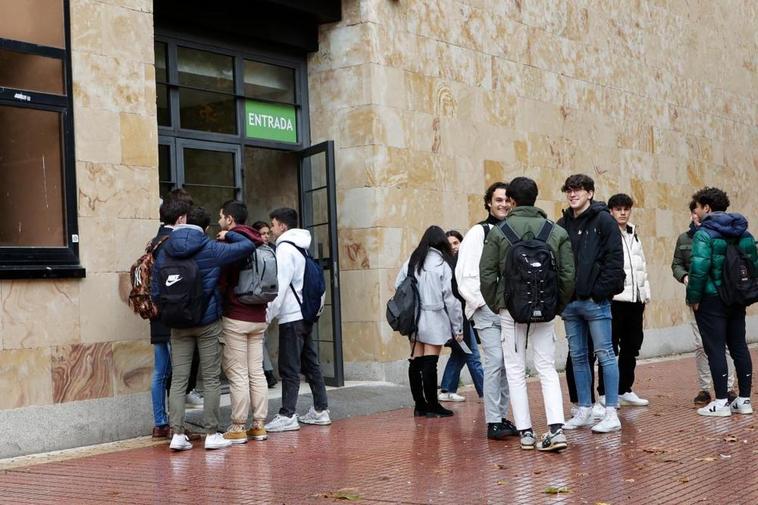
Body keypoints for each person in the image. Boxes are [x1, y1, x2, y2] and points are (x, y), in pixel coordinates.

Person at [480, 177, 575, 451]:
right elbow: (568, 275)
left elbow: (486, 274)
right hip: (545, 309)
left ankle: (526, 432)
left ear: (511, 200)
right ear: (536, 197)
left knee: (515, 368)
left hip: (511, 310)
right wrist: (556, 306)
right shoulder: (555, 231)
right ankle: (556, 428)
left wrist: (499, 304)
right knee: (546, 367)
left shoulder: (499, 232)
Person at [152, 205, 256, 451]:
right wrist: (228, 234)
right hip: (208, 322)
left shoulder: (164, 249)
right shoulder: (210, 247)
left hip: (177, 324)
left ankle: (177, 435)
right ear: (206, 227)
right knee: (210, 379)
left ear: (182, 221)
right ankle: (211, 434)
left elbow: (155, 291)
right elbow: (248, 246)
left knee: (178, 379)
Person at [557, 174, 625, 433]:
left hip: (596, 303)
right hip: (571, 305)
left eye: (578, 190)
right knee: (578, 357)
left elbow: (614, 261)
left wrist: (599, 292)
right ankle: (584, 408)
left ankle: (611, 412)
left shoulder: (604, 220)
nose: (573, 194)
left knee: (606, 355)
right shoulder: (562, 223)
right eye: (569, 190)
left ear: (590, 193)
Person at [455, 182, 518, 439]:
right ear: (489, 203)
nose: (503, 204)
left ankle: (501, 417)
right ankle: (493, 421)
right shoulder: (478, 232)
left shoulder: (513, 231)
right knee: (495, 363)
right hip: (487, 309)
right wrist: (480, 303)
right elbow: (464, 272)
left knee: (506, 365)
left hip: (510, 311)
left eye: (507, 200)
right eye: (498, 200)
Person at [686, 187, 755, 417]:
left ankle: (722, 402)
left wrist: (694, 298)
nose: (695, 212)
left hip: (711, 299)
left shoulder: (704, 234)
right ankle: (744, 400)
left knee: (715, 349)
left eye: (697, 207)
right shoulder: (744, 233)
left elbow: (698, 268)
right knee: (739, 346)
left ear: (706, 207)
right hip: (737, 298)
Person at [264, 208, 331, 432]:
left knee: (289, 366)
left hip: (292, 317)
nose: (272, 229)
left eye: (273, 225)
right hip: (305, 314)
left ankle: (287, 414)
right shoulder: (302, 248)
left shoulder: (285, 249)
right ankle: (321, 410)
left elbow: (280, 287)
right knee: (311, 363)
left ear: (282, 226)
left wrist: (268, 315)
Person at [672, 201, 736, 405]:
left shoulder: (721, 236)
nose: (695, 216)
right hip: (696, 299)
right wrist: (684, 277)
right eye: (692, 213)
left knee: (724, 344)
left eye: (697, 211)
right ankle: (705, 389)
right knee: (701, 345)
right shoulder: (684, 238)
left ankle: (728, 388)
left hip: (719, 298)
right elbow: (676, 263)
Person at [216, 201, 269, 444]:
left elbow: (222, 278)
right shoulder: (260, 240)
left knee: (237, 373)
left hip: (236, 315)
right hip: (259, 316)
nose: (218, 222)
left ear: (229, 219)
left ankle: (238, 426)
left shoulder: (231, 241)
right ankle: (258, 425)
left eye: (221, 217)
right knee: (256, 372)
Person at [396, 225, 463, 418]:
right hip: (434, 317)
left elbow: (398, 285)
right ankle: (433, 405)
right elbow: (450, 299)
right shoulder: (442, 264)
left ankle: (419, 405)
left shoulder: (412, 261)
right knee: (430, 363)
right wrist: (457, 327)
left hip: (414, 319)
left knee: (415, 362)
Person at [594, 194, 651, 411]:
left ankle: (624, 389)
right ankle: (605, 392)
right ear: (611, 211)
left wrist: (645, 294)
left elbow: (641, 267)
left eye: (626, 208)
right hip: (615, 299)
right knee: (609, 348)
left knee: (632, 346)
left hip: (635, 300)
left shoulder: (634, 233)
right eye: (618, 209)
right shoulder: (606, 233)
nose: (623, 212)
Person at [149, 189, 192, 439]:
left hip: (156, 312)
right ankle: (175, 424)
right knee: (178, 370)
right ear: (180, 219)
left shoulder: (153, 241)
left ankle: (160, 422)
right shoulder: (174, 242)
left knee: (160, 370)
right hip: (174, 311)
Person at [438, 230, 484, 403]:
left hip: (466, 315)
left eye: (456, 243)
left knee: (460, 353)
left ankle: (447, 389)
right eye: (449, 244)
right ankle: (486, 391)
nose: (453, 247)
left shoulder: (463, 263)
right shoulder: (447, 266)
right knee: (472, 355)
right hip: (457, 319)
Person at [251, 220, 278, 389]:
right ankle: (266, 374)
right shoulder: (254, 251)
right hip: (259, 298)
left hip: (271, 298)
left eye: (268, 233)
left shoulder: (273, 251)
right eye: (263, 233)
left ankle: (267, 374)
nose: (266, 236)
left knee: (262, 339)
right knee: (260, 339)